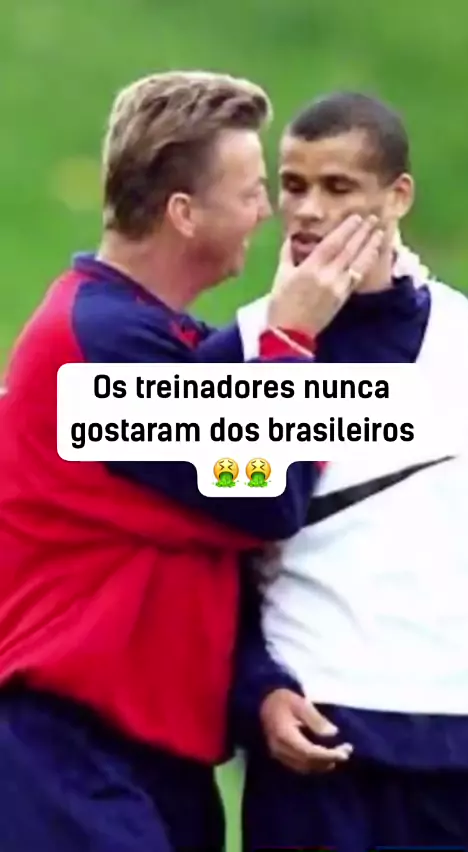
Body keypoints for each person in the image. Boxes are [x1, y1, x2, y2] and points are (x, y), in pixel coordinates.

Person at [0, 73, 383, 852]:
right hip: (70, 761)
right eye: (251, 192)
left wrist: (258, 686)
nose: (268, 213)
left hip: (154, 768)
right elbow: (266, 496)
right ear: (184, 213)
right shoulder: (94, 346)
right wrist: (290, 339)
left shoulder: (163, 342)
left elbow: (211, 551)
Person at [229, 92, 468, 851]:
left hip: (460, 748)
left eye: (338, 187)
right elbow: (217, 548)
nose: (309, 210)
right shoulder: (238, 351)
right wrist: (256, 689)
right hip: (315, 743)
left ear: (397, 196)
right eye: (294, 185)